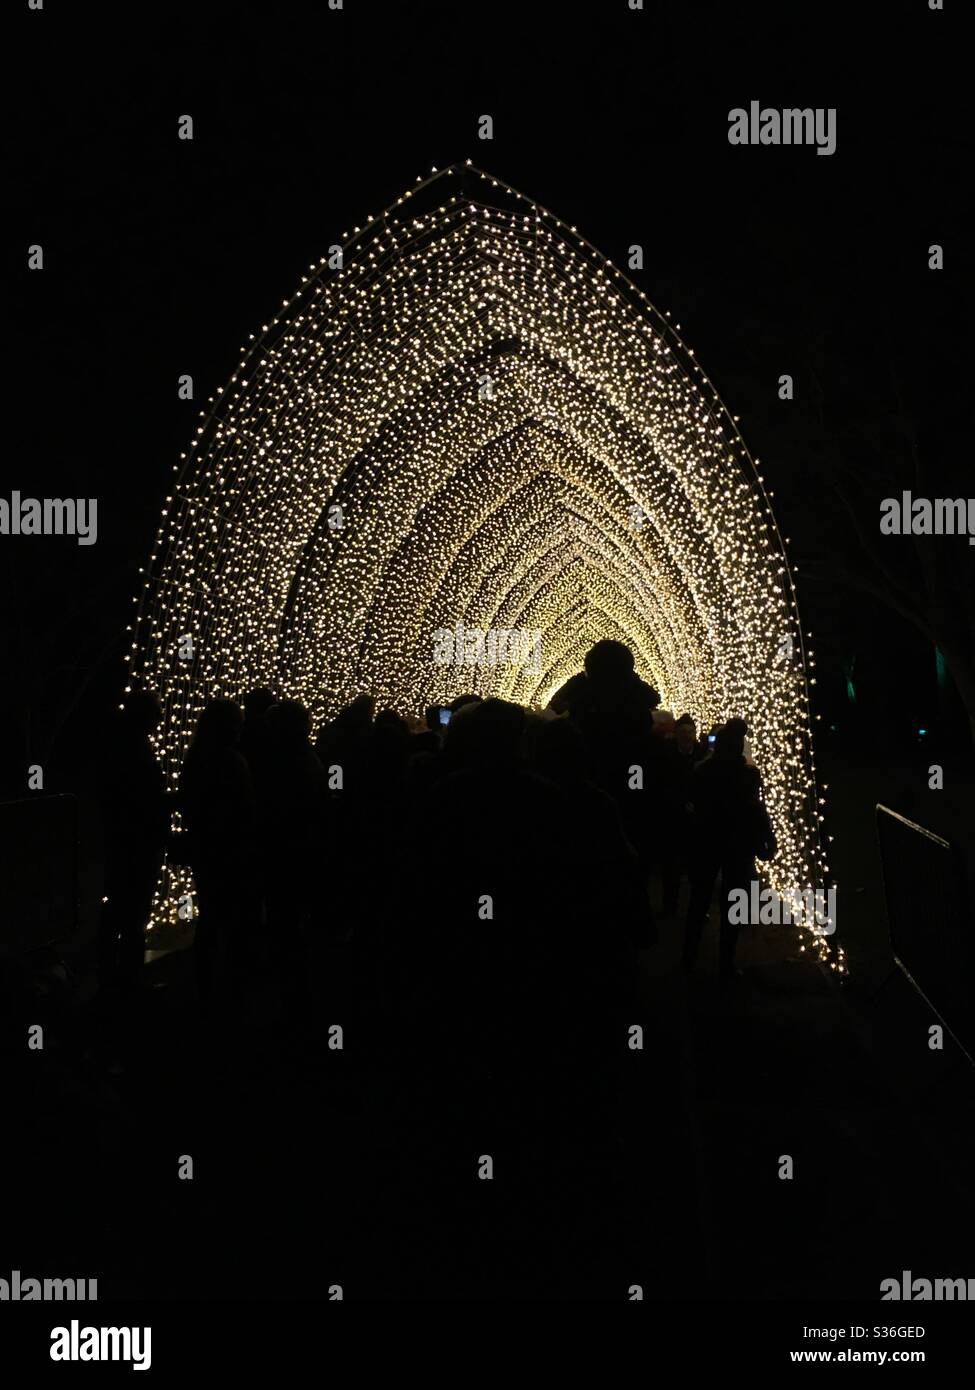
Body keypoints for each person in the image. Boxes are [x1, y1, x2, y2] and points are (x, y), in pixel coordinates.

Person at [178, 698, 257, 1007]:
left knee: (211, 917)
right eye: (236, 723)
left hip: (206, 850)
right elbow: (244, 809)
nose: (240, 728)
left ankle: (206, 985)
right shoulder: (230, 762)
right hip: (230, 852)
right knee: (232, 919)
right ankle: (230, 990)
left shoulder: (196, 759)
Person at [681, 718, 775, 978]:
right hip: (737, 844)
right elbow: (755, 808)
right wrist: (766, 838)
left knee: (699, 901)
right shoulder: (748, 775)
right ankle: (726, 963)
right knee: (732, 903)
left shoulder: (701, 771)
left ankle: (688, 958)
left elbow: (691, 805)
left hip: (707, 842)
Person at [96, 690, 170, 992]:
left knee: (118, 909)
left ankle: (111, 974)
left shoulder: (120, 747)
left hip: (124, 841)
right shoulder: (134, 751)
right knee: (132, 911)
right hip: (136, 843)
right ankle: (127, 980)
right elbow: (142, 799)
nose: (159, 719)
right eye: (154, 713)